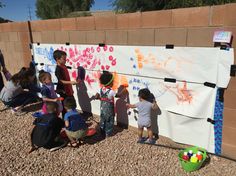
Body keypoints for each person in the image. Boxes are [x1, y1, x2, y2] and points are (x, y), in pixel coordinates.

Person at [94, 71, 126, 138]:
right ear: (110, 83)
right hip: (109, 109)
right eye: (113, 82)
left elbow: (100, 96)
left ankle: (102, 131)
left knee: (103, 119)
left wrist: (97, 96)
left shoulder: (101, 89)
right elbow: (118, 95)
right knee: (109, 120)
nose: (113, 83)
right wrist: (123, 91)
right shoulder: (111, 91)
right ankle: (108, 133)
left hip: (102, 107)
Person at [53, 50, 79, 117]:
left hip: (68, 89)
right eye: (64, 59)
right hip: (63, 91)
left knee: (72, 103)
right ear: (57, 59)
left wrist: (71, 87)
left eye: (65, 58)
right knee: (65, 105)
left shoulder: (64, 66)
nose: (65, 60)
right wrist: (71, 82)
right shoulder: (58, 69)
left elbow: (67, 78)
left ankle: (73, 116)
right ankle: (65, 119)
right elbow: (61, 81)